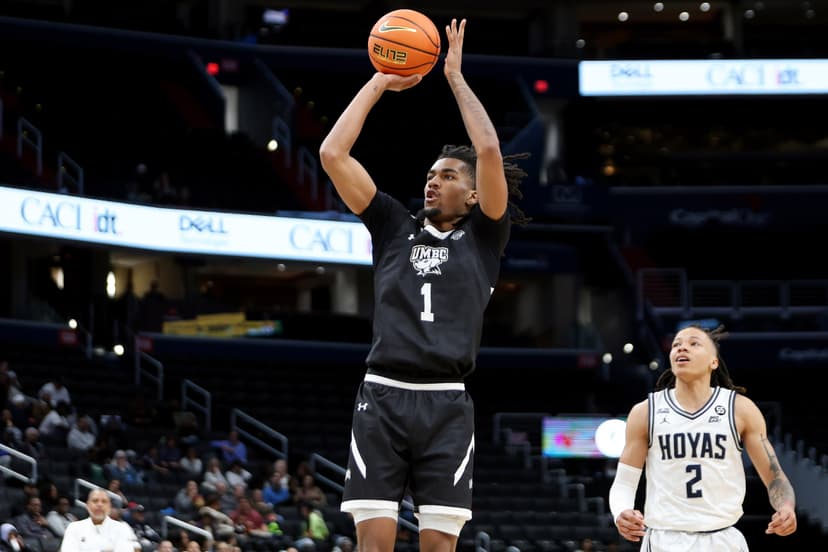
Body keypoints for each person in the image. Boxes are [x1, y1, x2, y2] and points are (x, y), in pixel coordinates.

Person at [318, 17, 529, 552]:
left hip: (446, 404)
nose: (433, 181)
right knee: (374, 544)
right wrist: (379, 81)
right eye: (432, 174)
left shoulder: (484, 236)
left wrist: (455, 78)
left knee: (438, 547)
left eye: (448, 176)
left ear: (475, 195)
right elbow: (332, 155)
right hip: (382, 395)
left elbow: (487, 150)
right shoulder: (392, 225)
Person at [609, 324, 798, 551]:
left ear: (713, 362)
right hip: (664, 540)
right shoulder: (646, 412)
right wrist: (621, 511)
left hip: (723, 539)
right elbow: (624, 482)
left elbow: (774, 476)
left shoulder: (740, 409)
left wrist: (786, 507)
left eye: (694, 343)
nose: (682, 348)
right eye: (676, 344)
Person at [60, 488, 141, 552]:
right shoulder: (74, 528)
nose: (99, 504)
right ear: (87, 505)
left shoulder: (122, 528)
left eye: (104, 501)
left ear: (109, 507)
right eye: (95, 501)